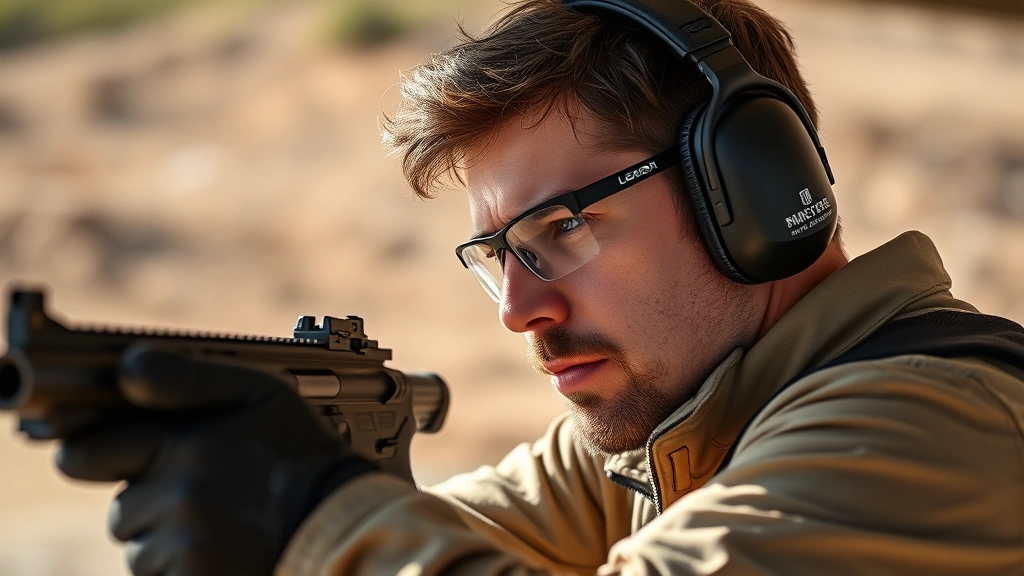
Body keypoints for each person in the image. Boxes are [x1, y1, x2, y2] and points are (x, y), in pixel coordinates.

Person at [56, 0, 1024, 574]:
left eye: (561, 229)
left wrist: (311, 514)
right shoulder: (682, 432)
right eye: (494, 255)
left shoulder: (930, 416)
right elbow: (456, 526)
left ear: (754, 192)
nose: (520, 310)